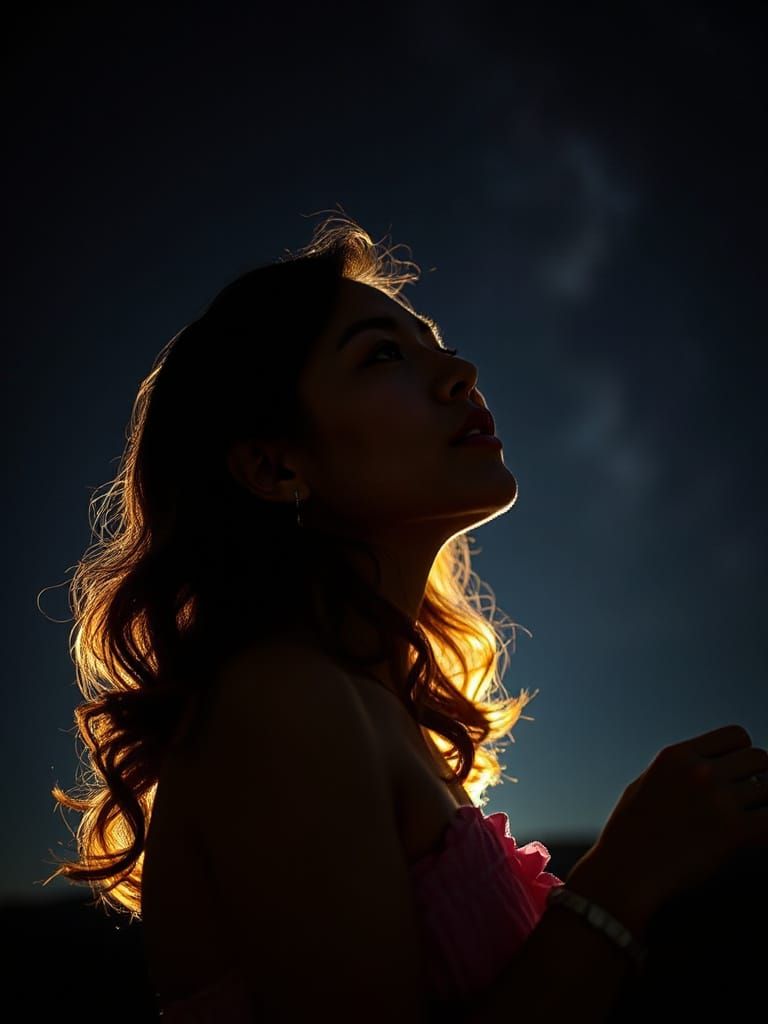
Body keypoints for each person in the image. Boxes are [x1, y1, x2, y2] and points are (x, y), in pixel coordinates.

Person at [46, 211, 768, 1022]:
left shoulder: (356, 699)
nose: (459, 370)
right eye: (384, 354)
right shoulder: (279, 700)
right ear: (274, 463)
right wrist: (626, 874)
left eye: (435, 342)